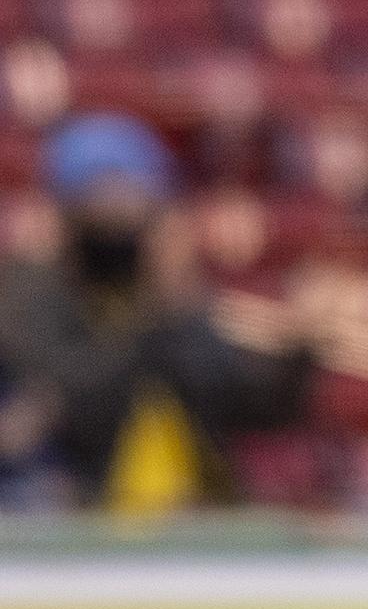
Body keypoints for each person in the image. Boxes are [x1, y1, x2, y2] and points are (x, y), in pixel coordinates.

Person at [0, 115, 313, 509]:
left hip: (192, 513)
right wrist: (155, 312)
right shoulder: (33, 291)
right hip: (84, 513)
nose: (120, 229)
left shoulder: (173, 297)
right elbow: (75, 403)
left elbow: (246, 408)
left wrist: (299, 355)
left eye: (134, 204)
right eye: (102, 204)